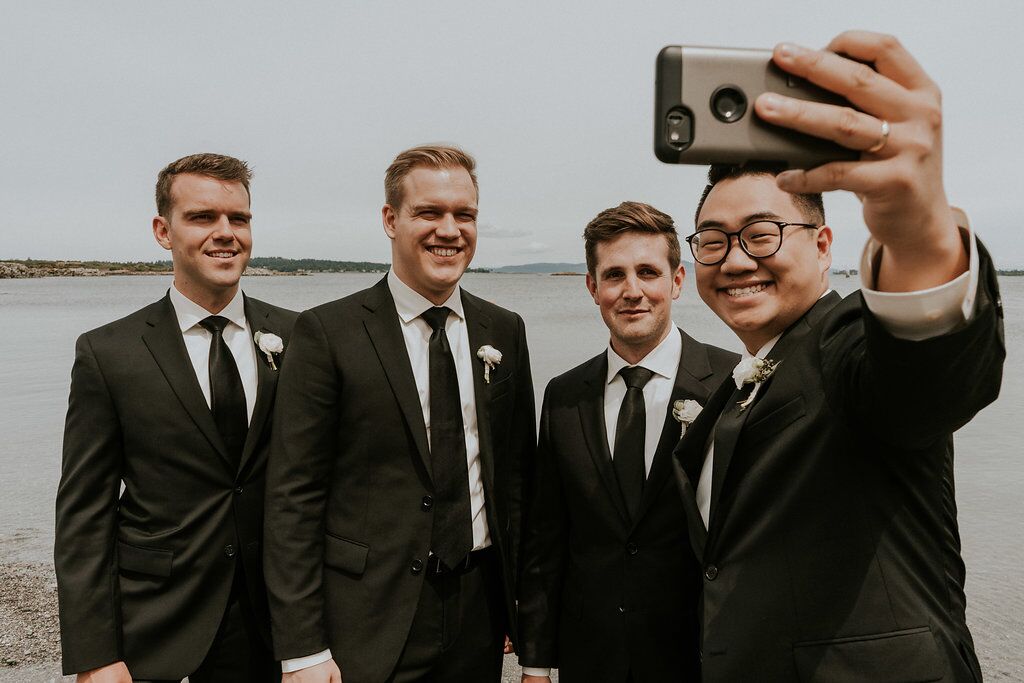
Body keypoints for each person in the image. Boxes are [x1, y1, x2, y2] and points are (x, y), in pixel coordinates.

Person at [672, 31, 1004, 680]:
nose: (736, 258)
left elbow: (924, 378)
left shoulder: (843, 340)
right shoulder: (728, 396)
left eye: (762, 234)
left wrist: (921, 235)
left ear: (824, 245)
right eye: (712, 241)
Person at [264, 144, 536, 683]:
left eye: (465, 215)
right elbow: (292, 496)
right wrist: (302, 649)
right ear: (391, 220)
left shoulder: (504, 330)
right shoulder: (326, 333)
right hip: (368, 613)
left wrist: (524, 616)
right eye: (429, 213)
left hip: (478, 608)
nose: (450, 230)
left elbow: (516, 481)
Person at [55, 153, 297, 682]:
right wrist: (95, 653)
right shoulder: (108, 353)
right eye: (203, 217)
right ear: (163, 231)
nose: (226, 233)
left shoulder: (301, 338)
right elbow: (84, 514)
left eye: (240, 219)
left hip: (278, 623)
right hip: (158, 623)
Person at [517, 202, 737, 682]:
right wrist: (534, 662)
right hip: (591, 659)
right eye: (614, 275)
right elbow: (547, 539)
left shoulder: (730, 382)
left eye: (648, 272)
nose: (632, 291)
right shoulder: (563, 395)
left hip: (700, 658)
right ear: (593, 287)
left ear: (677, 281)